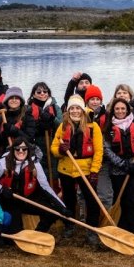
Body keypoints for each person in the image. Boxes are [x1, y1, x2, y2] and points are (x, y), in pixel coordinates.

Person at [0, 130, 67, 234]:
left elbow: (46, 187)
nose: (21, 151)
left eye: (24, 149)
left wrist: (62, 207)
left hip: (26, 200)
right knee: (14, 232)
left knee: (51, 212)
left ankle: (37, 234)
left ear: (28, 150)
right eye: (17, 149)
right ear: (13, 150)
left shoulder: (35, 164)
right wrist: (1, 189)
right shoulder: (3, 163)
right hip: (9, 201)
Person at [51, 95, 104, 247]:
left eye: (78, 108)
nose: (75, 111)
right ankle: (70, 225)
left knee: (91, 200)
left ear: (83, 110)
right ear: (68, 111)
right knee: (69, 199)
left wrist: (94, 171)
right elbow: (54, 148)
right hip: (66, 169)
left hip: (86, 169)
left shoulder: (93, 127)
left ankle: (92, 229)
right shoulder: (63, 126)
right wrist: (60, 150)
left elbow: (99, 151)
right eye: (72, 108)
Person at [103, 97, 134, 232]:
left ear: (128, 110)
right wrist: (122, 164)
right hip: (118, 169)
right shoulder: (109, 126)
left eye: (123, 108)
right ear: (113, 110)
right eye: (117, 109)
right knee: (121, 198)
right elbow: (107, 149)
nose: (120, 111)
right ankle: (122, 227)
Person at [0, 86, 27, 159]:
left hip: (23, 154)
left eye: (17, 98)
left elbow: (29, 138)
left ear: (21, 101)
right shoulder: (0, 118)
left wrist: (13, 130)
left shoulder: (27, 116)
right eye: (11, 98)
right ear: (7, 101)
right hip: (4, 155)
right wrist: (3, 134)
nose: (14, 100)